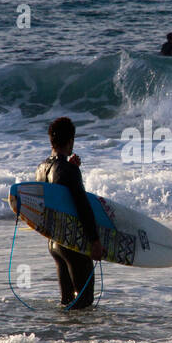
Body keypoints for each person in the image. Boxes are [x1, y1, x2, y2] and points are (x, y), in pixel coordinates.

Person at [35, 117, 104, 309]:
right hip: (73, 243)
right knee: (84, 301)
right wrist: (95, 240)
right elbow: (82, 206)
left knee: (66, 302)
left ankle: (63, 337)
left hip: (54, 242)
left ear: (51, 140)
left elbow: (57, 200)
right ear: (71, 140)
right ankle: (80, 338)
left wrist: (73, 168)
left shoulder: (41, 168)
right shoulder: (68, 170)